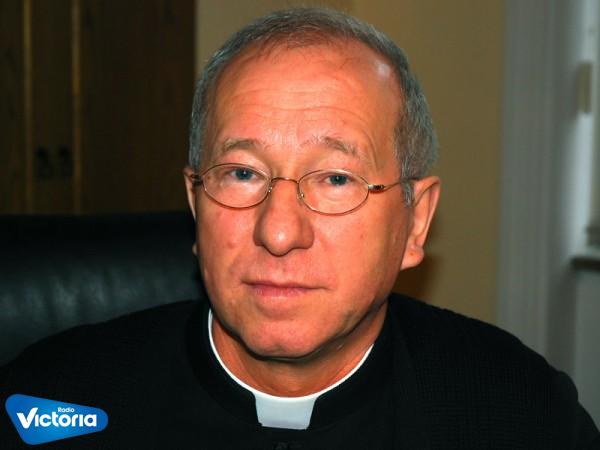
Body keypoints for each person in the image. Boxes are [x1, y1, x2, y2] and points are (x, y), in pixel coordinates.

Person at [1, 7, 599, 449]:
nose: (280, 233)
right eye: (242, 173)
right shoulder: (52, 397)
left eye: (336, 178)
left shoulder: (521, 413)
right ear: (195, 203)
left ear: (415, 222)